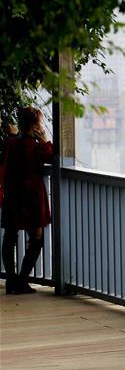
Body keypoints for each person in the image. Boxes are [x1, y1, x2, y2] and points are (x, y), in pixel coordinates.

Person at [1, 107, 53, 295]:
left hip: (13, 194)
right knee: (36, 237)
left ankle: (11, 280)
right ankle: (22, 280)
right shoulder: (37, 147)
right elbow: (51, 156)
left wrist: (13, 135)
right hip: (32, 195)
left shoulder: (11, 143)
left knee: (10, 236)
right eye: (40, 122)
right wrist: (45, 140)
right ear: (34, 125)